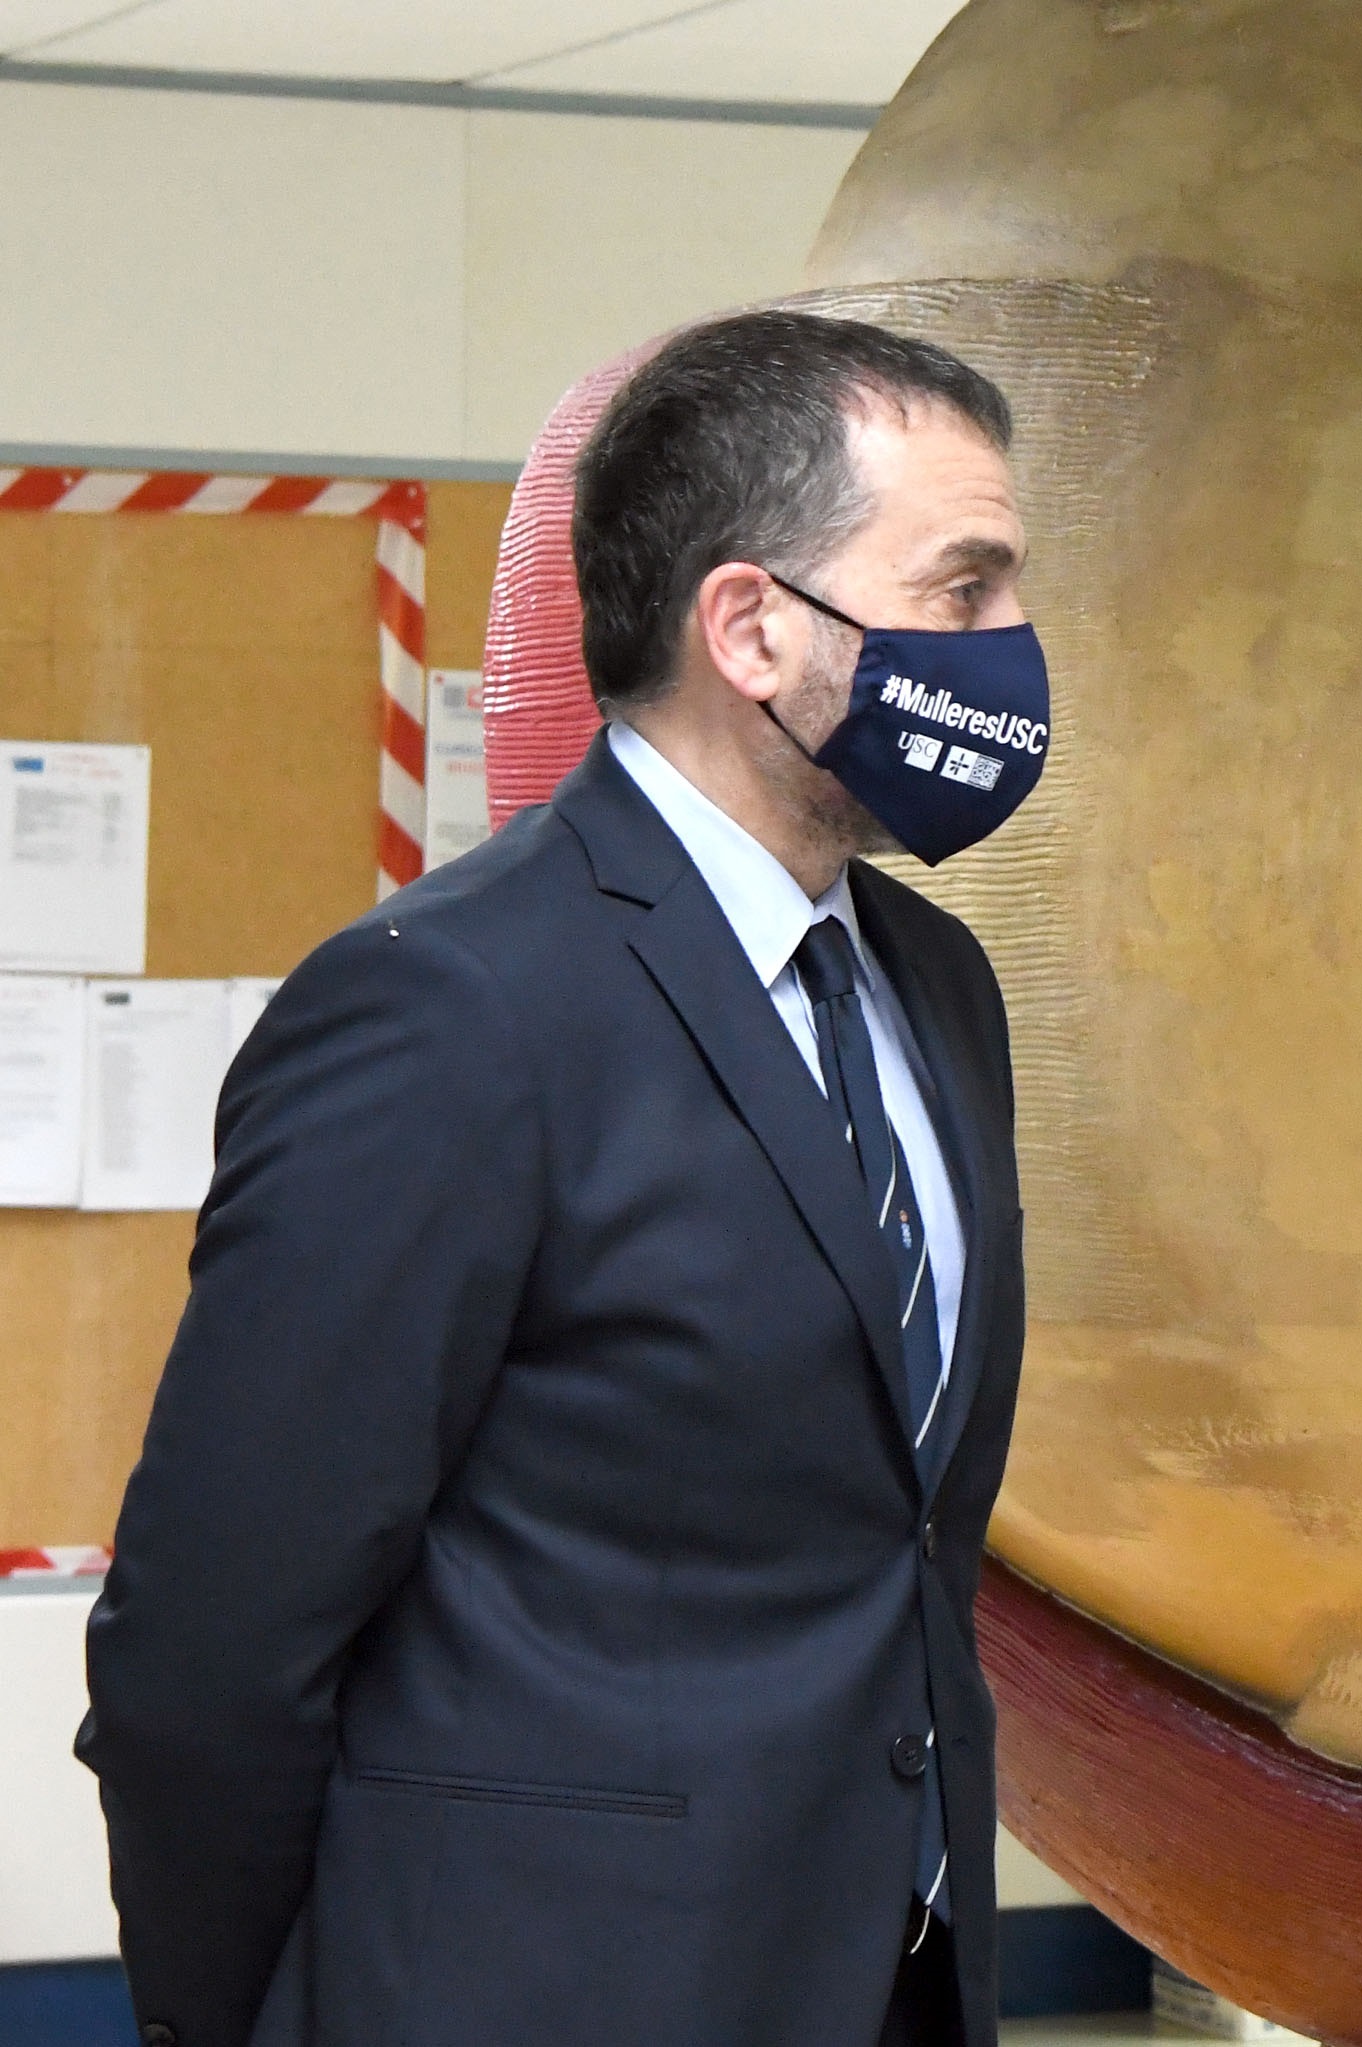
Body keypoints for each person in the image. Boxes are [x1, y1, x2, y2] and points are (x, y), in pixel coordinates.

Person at [79, 309, 1048, 2047]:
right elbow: (212, 1644)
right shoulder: (451, 1006)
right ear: (749, 627)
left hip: (887, 1981)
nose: (1012, 652)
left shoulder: (936, 988)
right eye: (961, 590)